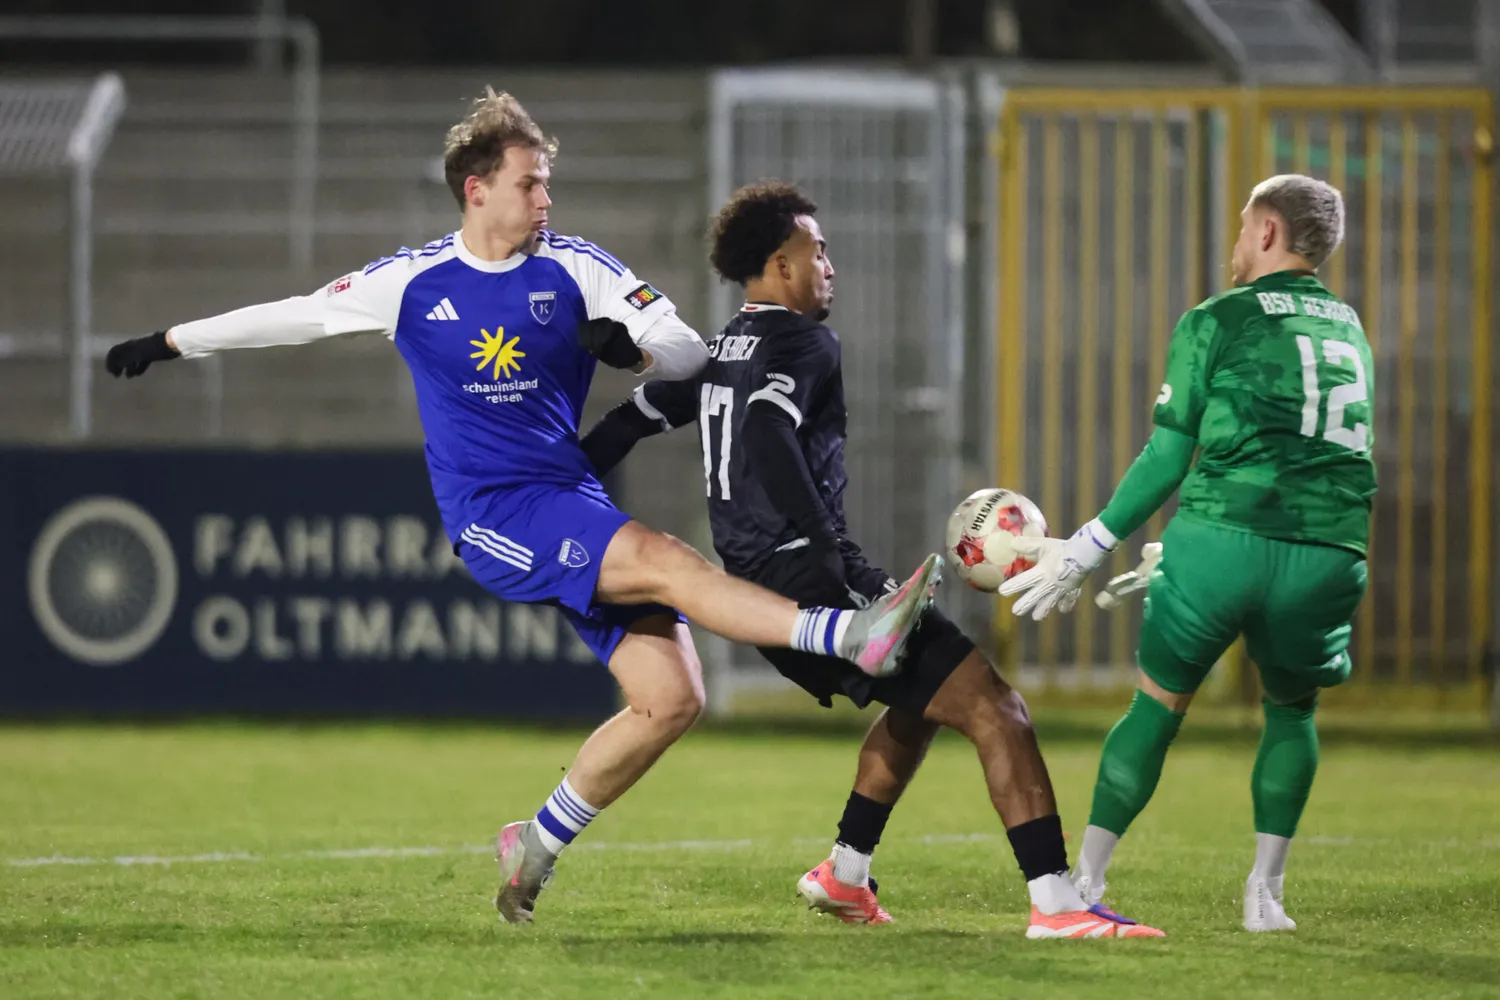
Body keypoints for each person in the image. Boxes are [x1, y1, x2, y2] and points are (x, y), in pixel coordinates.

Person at [102, 90, 943, 924]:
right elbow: (296, 317)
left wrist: (633, 345)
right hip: (495, 515)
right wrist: (173, 340)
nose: (546, 198)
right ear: (477, 189)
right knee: (666, 560)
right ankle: (846, 634)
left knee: (672, 698)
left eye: (547, 183)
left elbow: (689, 347)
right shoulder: (411, 281)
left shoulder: (577, 266)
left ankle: (535, 842)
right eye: (529, 183)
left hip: (570, 499)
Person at [581, 180, 1162, 938]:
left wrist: (557, 482)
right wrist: (837, 560)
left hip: (758, 592)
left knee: (919, 706)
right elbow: (764, 429)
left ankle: (845, 874)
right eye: (816, 251)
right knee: (997, 708)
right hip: (808, 579)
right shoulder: (804, 342)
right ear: (780, 264)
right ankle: (1057, 904)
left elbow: (635, 417)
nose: (829, 265)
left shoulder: (726, 347)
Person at [1001, 173, 1374, 933]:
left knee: (1158, 705)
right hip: (1330, 552)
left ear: (1267, 232)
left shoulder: (1221, 317)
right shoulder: (1350, 329)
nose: (1236, 240)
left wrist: (1089, 546)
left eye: (1244, 225)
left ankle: (1086, 878)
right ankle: (1265, 897)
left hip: (1218, 545)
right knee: (1292, 712)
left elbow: (1167, 459)